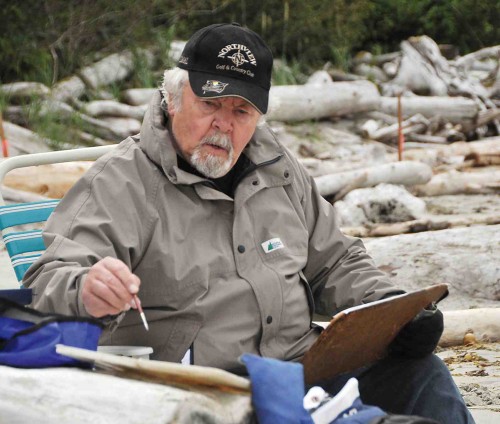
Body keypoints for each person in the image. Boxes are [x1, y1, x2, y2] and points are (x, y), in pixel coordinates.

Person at [24, 23, 474, 423]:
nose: (223, 124)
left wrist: (393, 307)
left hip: (301, 370)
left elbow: (334, 261)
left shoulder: (278, 167)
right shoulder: (121, 181)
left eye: (241, 111)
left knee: (422, 375)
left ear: (258, 117)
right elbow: (46, 280)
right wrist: (85, 288)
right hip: (203, 391)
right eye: (210, 103)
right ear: (172, 98)